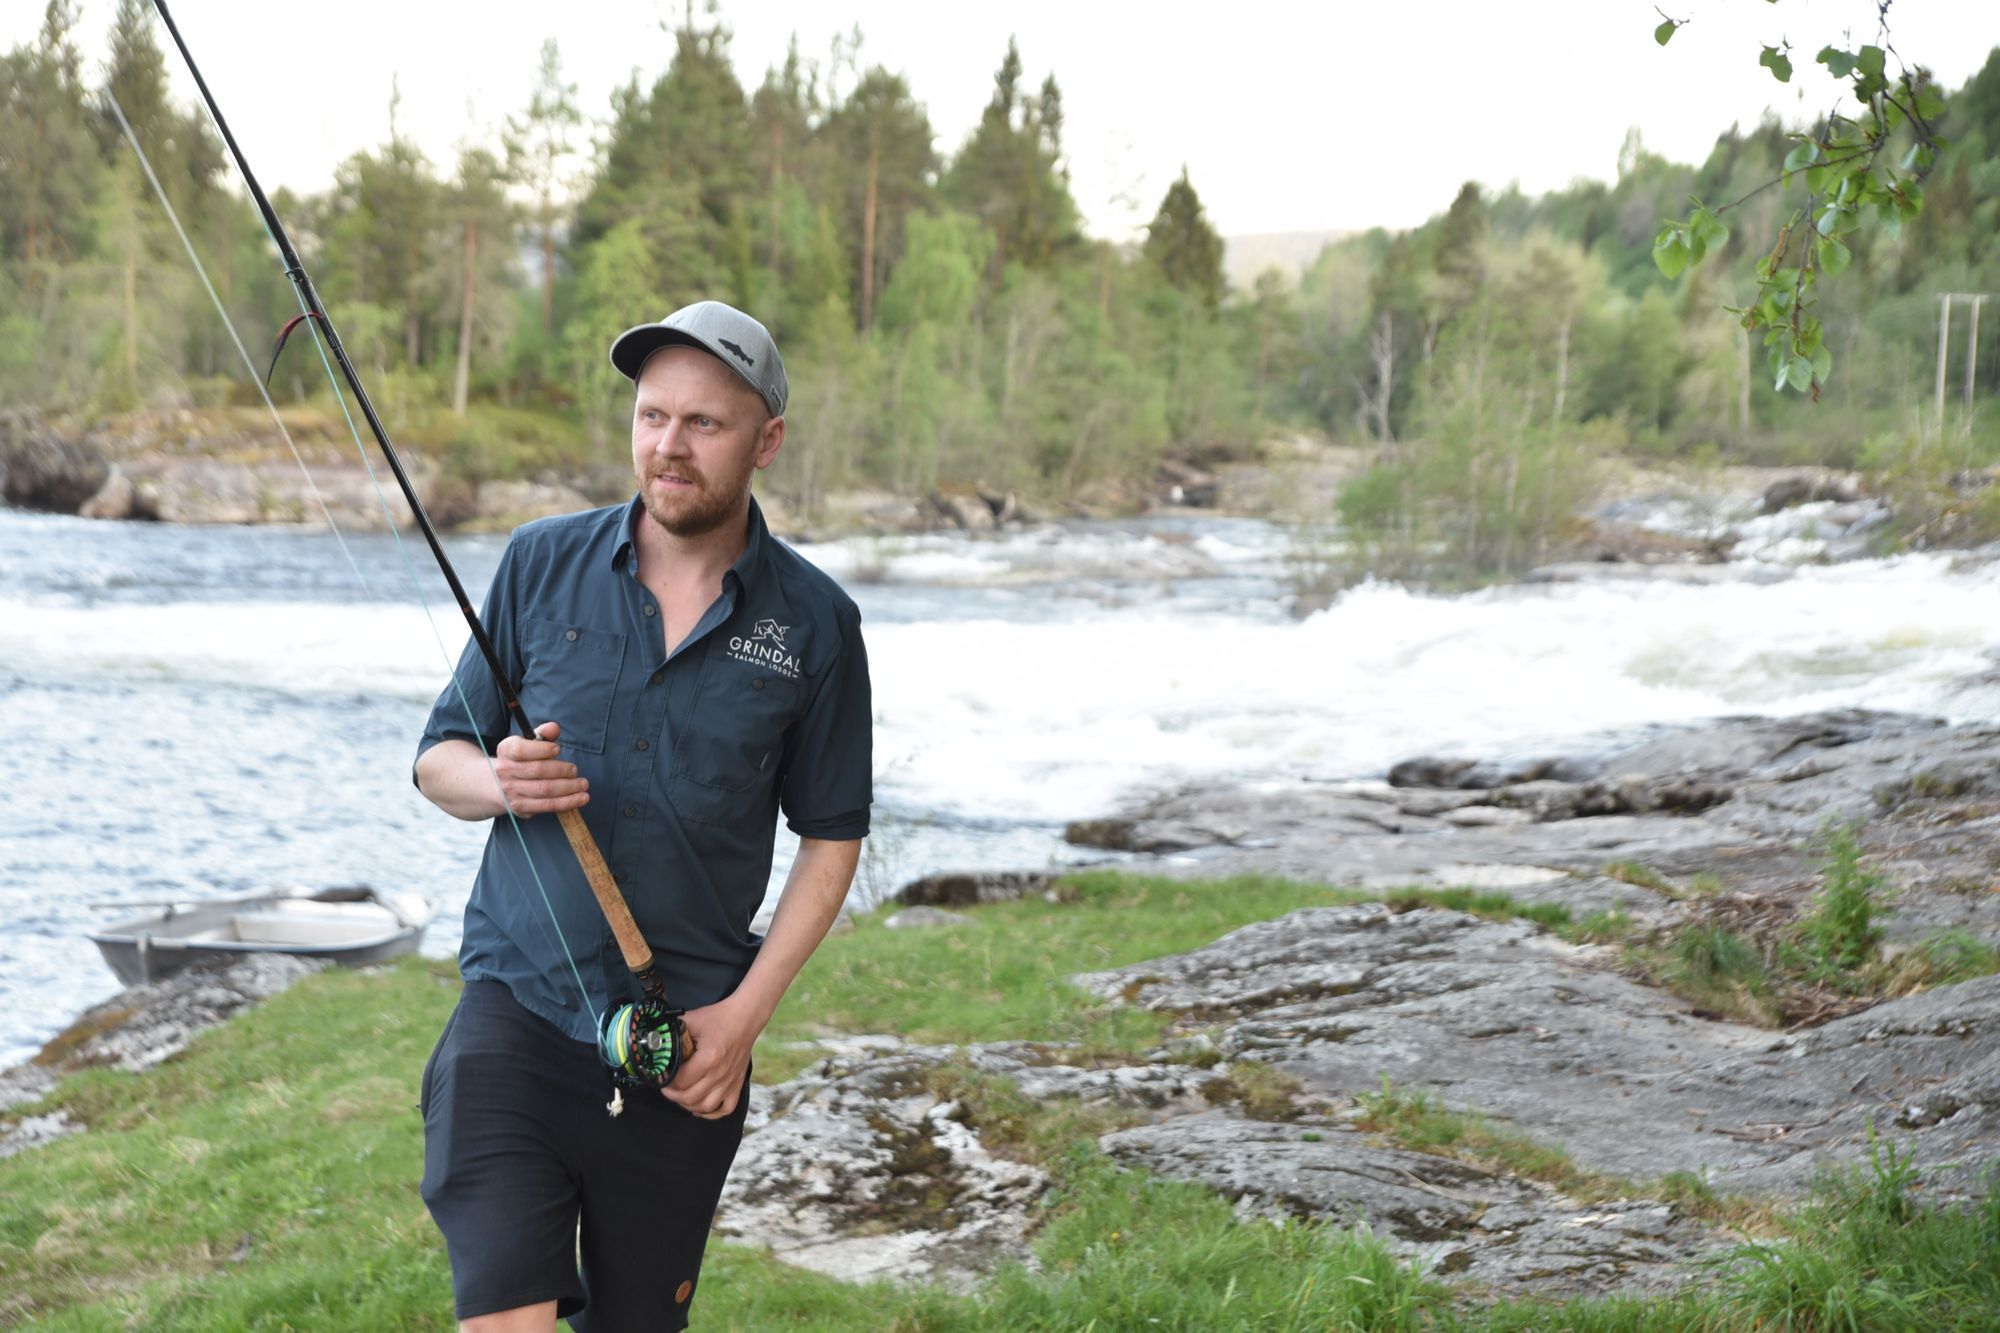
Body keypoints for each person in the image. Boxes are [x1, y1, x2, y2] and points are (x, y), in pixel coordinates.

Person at [411, 300, 871, 1332]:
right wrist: (500, 782)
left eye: (704, 422)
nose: (669, 444)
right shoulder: (540, 561)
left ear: (766, 441)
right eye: (652, 415)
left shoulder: (818, 624)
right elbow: (439, 760)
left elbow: (832, 836)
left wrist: (742, 1020)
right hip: (516, 1015)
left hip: (685, 1048)